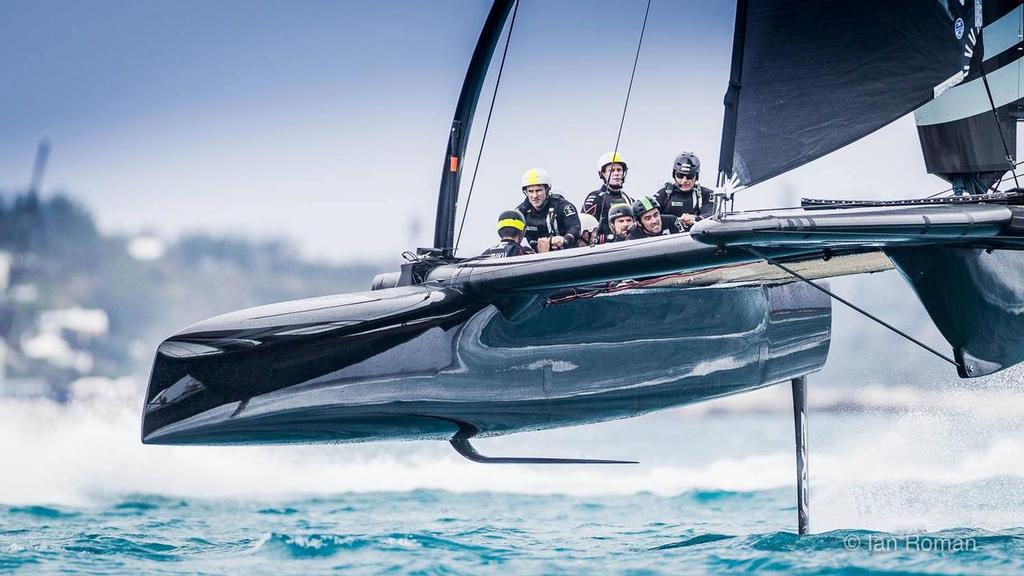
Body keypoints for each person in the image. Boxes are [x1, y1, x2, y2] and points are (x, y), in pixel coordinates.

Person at [515, 168, 581, 252]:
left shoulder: (563, 206)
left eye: (538, 190)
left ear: (547, 190)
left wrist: (564, 239)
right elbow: (511, 234)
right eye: (531, 191)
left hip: (566, 252)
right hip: (536, 255)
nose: (535, 196)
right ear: (526, 193)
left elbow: (575, 227)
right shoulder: (520, 212)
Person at [653, 151, 714, 230]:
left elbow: (711, 214)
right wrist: (674, 219)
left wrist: (695, 219)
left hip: (694, 238)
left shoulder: (706, 194)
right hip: (667, 239)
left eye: (689, 176)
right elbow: (646, 213)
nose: (684, 180)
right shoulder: (665, 193)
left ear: (696, 177)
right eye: (680, 175)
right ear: (674, 175)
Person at [582, 152, 633, 234]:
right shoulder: (596, 198)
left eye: (619, 170)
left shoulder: (627, 198)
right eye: (612, 170)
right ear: (602, 174)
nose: (616, 173)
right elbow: (586, 227)